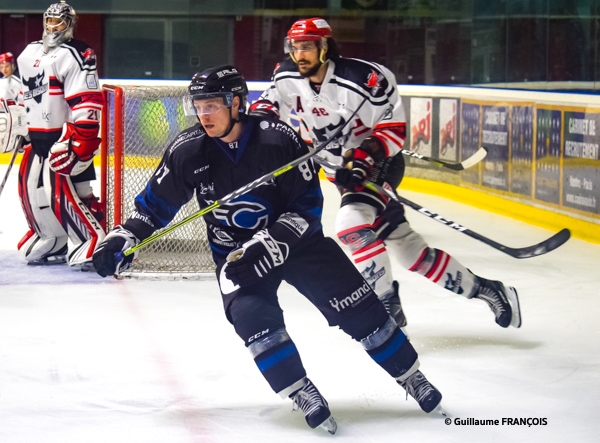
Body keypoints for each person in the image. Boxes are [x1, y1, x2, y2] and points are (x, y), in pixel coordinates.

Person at [92, 65, 446, 434]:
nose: (204, 114)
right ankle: (301, 390)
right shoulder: (188, 151)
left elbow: (308, 204)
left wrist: (275, 240)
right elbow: (154, 207)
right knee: (252, 320)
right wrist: (125, 236)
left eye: (212, 105)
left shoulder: (277, 140)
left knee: (359, 309)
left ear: (237, 103)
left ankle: (410, 376)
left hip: (300, 246)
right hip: (237, 256)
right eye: (199, 106)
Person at [250, 17, 522, 330]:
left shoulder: (366, 78)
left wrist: (364, 158)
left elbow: (393, 129)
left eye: (307, 47)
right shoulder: (286, 75)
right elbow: (268, 106)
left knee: (350, 226)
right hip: (341, 173)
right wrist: (259, 132)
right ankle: (490, 291)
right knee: (410, 252)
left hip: (380, 164)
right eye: (294, 47)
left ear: (324, 48)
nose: (300, 54)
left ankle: (386, 306)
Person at [15, 1, 105, 268]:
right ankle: (51, 236)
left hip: (64, 137)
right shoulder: (29, 52)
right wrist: (20, 126)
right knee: (29, 186)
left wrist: (84, 137)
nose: (53, 26)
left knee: (68, 191)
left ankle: (90, 239)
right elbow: (24, 95)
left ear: (69, 24)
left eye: (59, 21)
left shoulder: (77, 53)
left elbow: (86, 98)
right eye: (50, 21)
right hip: (37, 136)